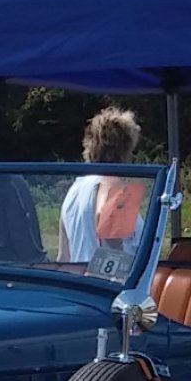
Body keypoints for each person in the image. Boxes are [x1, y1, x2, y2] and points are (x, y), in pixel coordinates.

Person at [58, 106, 144, 263]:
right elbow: (114, 254)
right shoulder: (114, 186)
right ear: (125, 148)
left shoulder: (73, 190)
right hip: (113, 284)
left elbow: (64, 257)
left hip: (80, 282)